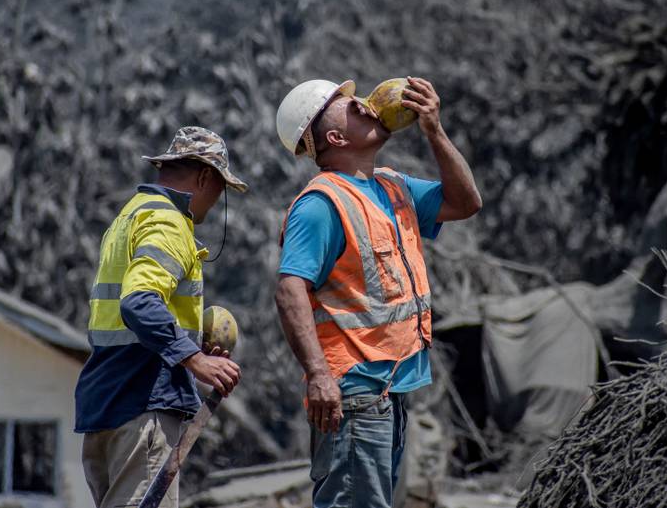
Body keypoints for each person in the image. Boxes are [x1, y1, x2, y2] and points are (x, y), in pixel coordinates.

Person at [274, 77, 482, 508]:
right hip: (351, 392)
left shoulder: (391, 186)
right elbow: (290, 289)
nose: (368, 106)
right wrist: (318, 376)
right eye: (351, 107)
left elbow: (466, 203)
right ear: (334, 137)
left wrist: (435, 131)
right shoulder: (320, 204)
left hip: (388, 391)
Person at [74, 126, 247, 508]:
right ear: (205, 177)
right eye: (219, 189)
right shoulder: (169, 222)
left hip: (107, 401)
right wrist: (195, 358)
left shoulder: (129, 216)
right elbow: (138, 302)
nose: (217, 201)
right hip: (143, 404)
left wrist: (189, 342)